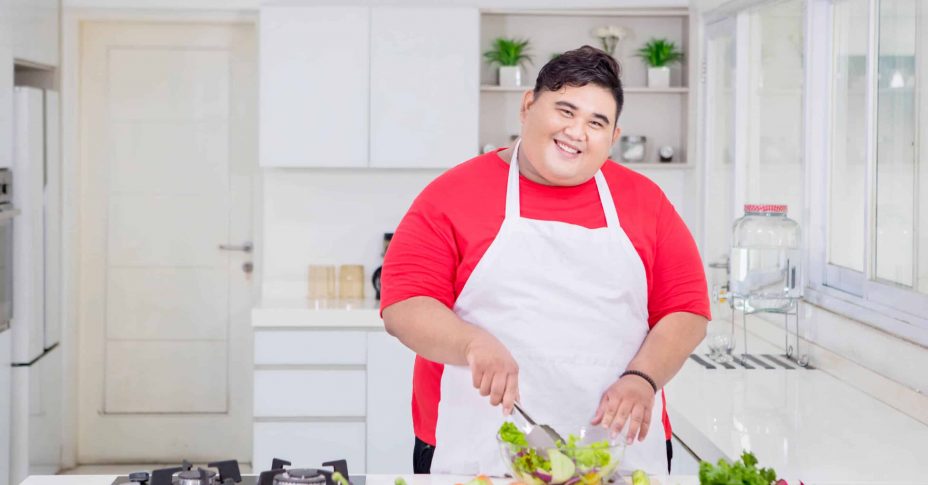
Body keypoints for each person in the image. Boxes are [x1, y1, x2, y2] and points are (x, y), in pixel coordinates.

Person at [380, 45, 710, 476]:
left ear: (612, 138)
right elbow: (404, 305)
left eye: (596, 122)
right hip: (476, 447)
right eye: (565, 111)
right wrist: (471, 343)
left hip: (618, 451)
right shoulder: (452, 195)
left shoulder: (646, 203)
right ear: (528, 105)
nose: (577, 132)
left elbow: (687, 309)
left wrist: (643, 378)